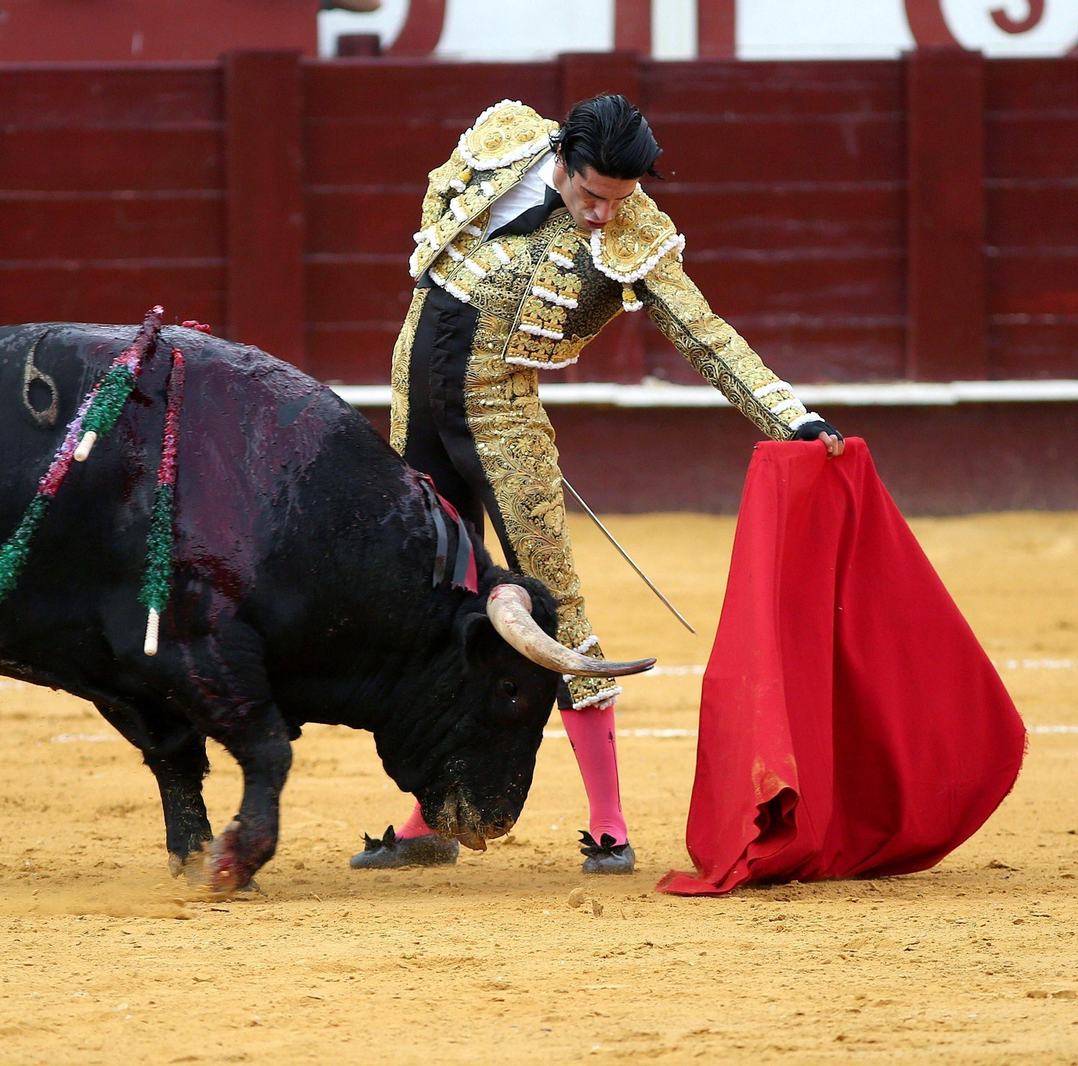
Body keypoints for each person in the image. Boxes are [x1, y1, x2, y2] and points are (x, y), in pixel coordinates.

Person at [350, 94, 844, 875]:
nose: (602, 214)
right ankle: (432, 816)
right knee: (432, 603)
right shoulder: (504, 140)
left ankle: (609, 827)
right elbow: (439, 210)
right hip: (414, 392)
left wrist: (793, 419)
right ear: (563, 160)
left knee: (556, 605)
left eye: (618, 198)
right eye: (591, 194)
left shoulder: (635, 234)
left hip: (501, 418)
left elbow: (705, 336)